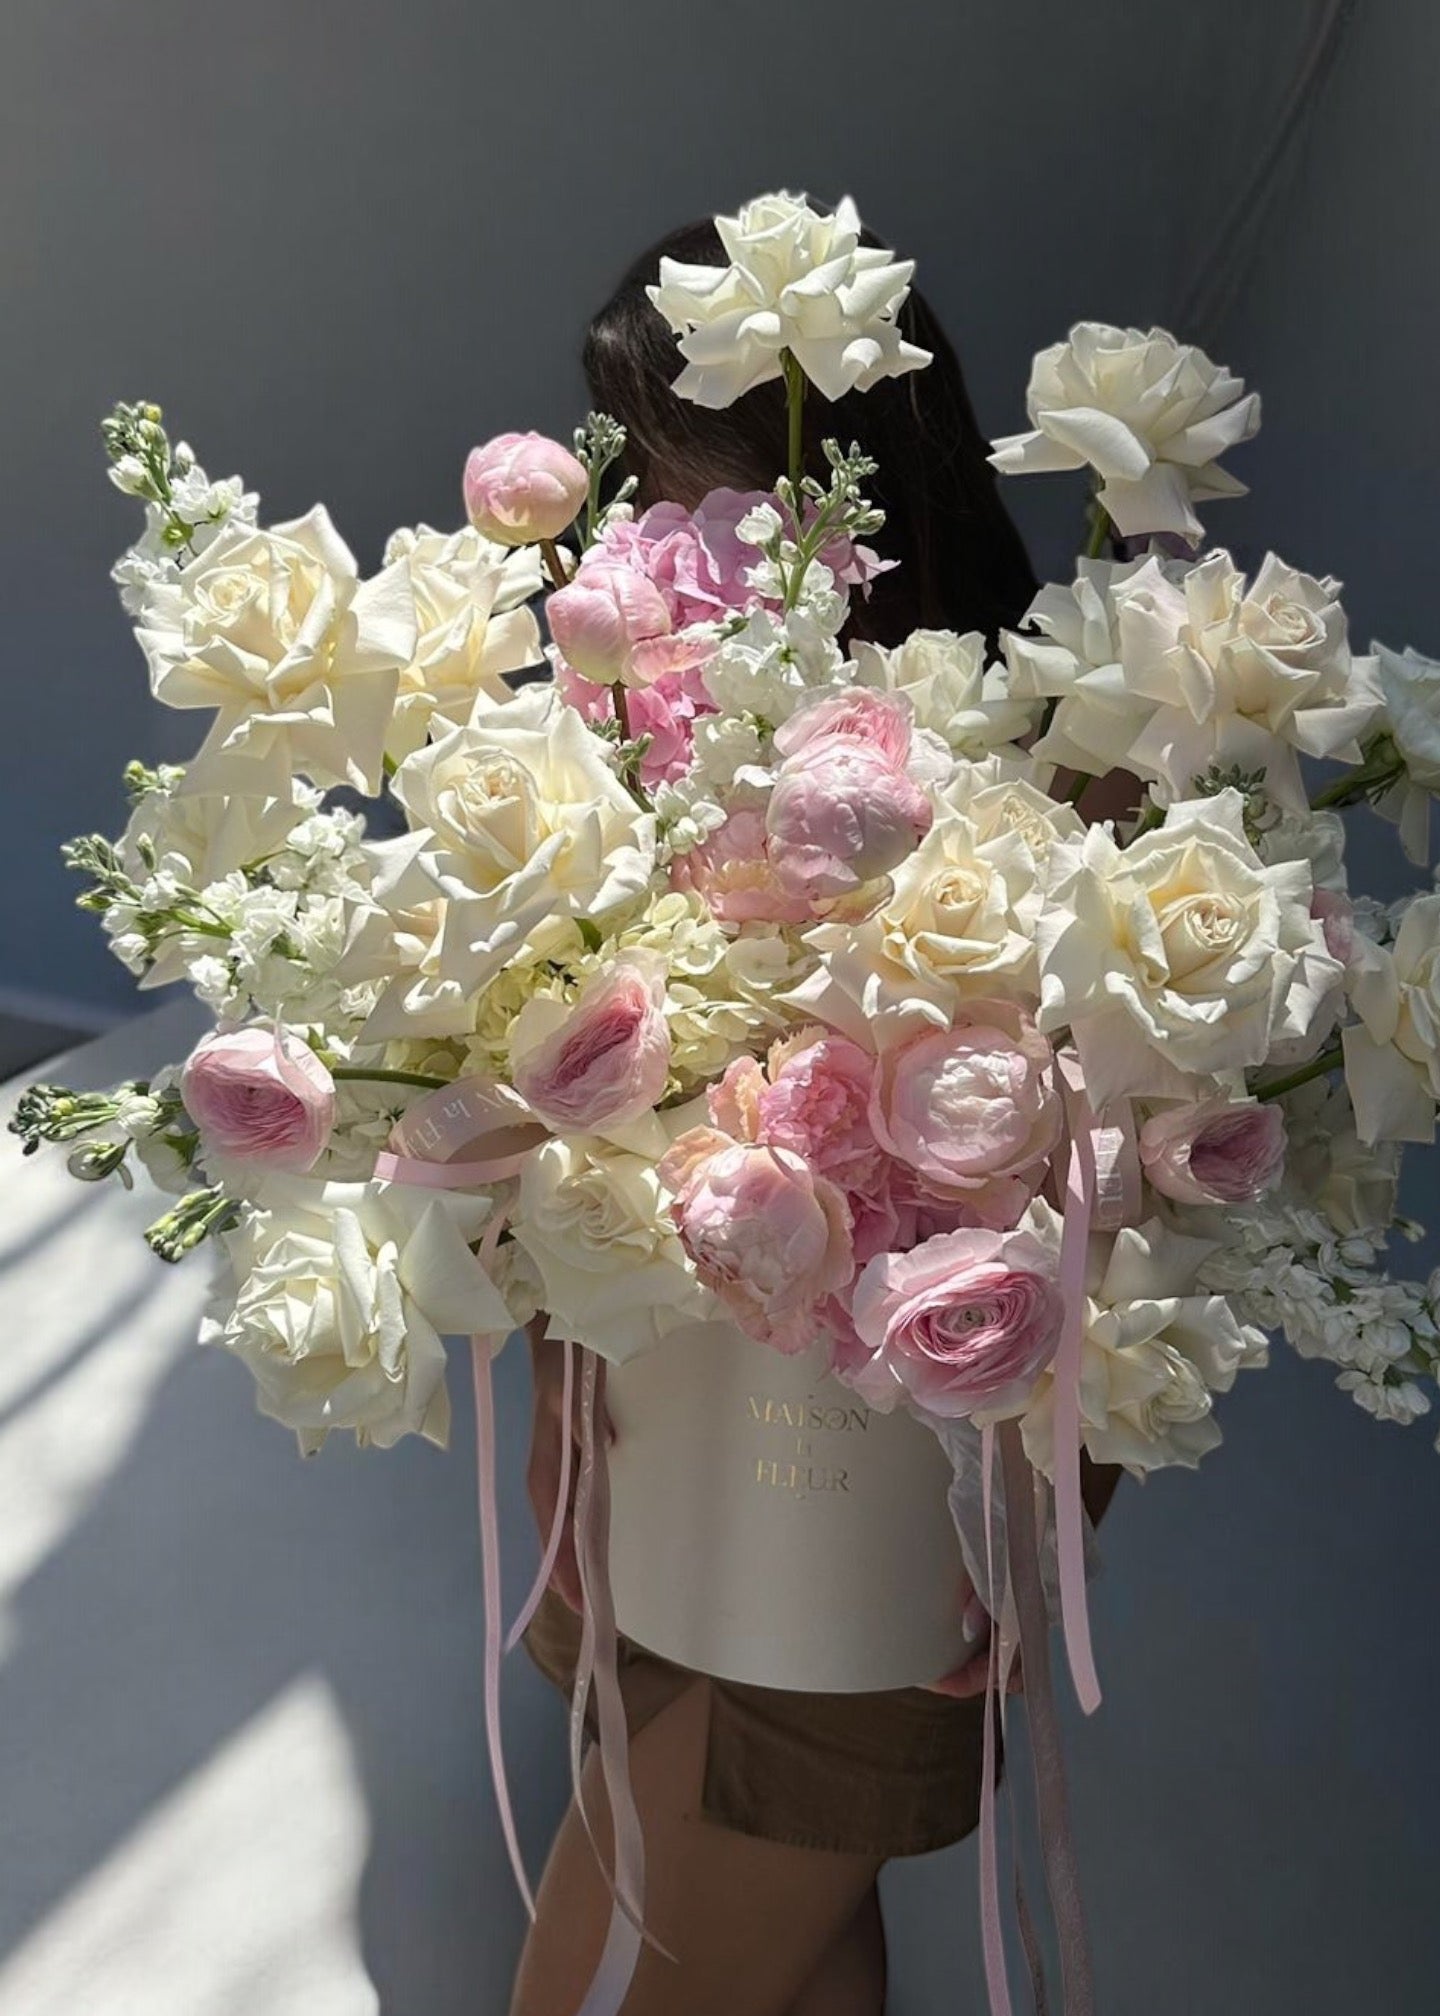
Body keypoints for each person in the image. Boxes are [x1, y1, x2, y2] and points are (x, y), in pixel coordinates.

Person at [509, 216, 1120, 2016]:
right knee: (791, 1949)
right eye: (633, 463)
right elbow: (547, 1098)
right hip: (647, 1478)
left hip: (871, 1517)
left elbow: (1139, 1182)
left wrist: (1050, 1503)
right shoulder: (615, 735)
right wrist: (557, 1380)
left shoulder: (1053, 754)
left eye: (694, 460)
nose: (655, 515)